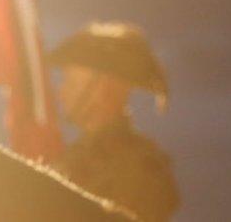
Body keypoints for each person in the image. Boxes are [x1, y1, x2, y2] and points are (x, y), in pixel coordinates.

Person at [47, 21, 179, 222]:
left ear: (102, 88)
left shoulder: (138, 167)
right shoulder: (76, 155)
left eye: (71, 82)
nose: (61, 92)